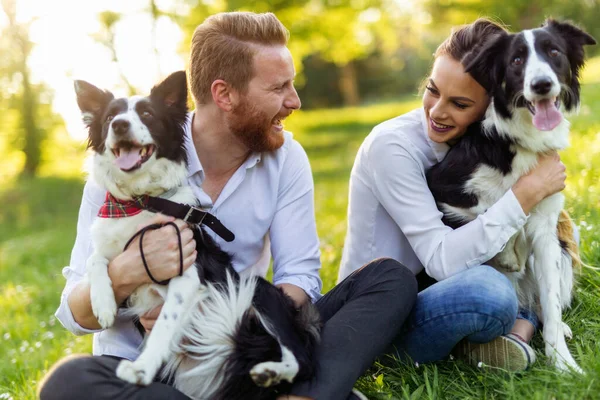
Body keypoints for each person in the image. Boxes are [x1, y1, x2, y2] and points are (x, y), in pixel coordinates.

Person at [38, 11, 418, 400]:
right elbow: (75, 316)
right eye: (278, 88)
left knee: (390, 279)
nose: (295, 101)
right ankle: (314, 390)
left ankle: (297, 394)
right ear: (225, 95)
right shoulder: (123, 164)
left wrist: (236, 327)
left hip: (247, 343)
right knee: (65, 384)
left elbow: (300, 278)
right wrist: (126, 273)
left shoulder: (286, 157)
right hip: (151, 371)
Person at [338, 18, 570, 372]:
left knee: (528, 258)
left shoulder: (482, 145)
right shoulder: (392, 146)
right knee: (488, 290)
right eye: (432, 90)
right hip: (379, 320)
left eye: (460, 104)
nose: (436, 111)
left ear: (492, 105)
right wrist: (526, 193)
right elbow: (442, 261)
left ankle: (513, 331)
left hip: (441, 287)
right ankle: (513, 329)